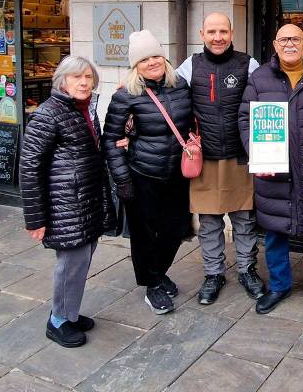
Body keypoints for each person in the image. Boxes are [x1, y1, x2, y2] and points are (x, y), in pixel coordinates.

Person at [239, 24, 303, 317]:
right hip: (273, 172)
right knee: (275, 233)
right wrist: (257, 154)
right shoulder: (259, 78)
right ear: (274, 44)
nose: (289, 44)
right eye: (283, 39)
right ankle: (279, 286)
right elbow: (245, 120)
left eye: (295, 39)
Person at [20, 55, 116, 348]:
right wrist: (36, 218)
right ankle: (58, 320)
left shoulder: (84, 109)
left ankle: (69, 312)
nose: (84, 82)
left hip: (85, 201)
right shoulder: (49, 114)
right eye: (77, 77)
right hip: (65, 205)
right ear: (62, 81)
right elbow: (29, 166)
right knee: (70, 263)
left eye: (88, 77)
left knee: (81, 261)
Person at [176, 13, 265, 305]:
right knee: (210, 221)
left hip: (241, 155)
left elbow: (266, 97)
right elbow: (166, 96)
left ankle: (247, 270)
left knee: (244, 218)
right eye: (212, 31)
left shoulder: (248, 64)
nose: (218, 37)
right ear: (202, 33)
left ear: (232, 32)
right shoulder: (190, 66)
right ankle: (213, 274)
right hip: (206, 156)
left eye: (223, 31)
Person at [102, 30, 193, 315]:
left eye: (156, 56)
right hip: (142, 174)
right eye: (144, 59)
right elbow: (110, 139)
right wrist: (122, 179)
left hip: (177, 173)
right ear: (135, 66)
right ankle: (151, 284)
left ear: (164, 57)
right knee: (144, 234)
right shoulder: (125, 95)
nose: (152, 62)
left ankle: (158, 270)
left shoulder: (181, 85)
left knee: (176, 229)